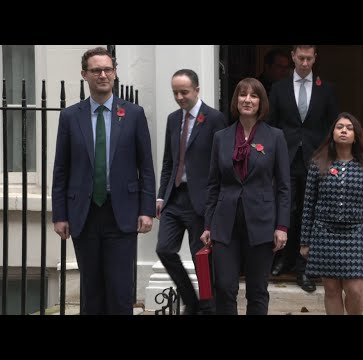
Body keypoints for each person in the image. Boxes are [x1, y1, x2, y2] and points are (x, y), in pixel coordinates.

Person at [52, 47, 156, 315]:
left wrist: (146, 210)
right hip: (83, 214)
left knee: (120, 290)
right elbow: (61, 169)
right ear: (84, 74)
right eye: (96, 70)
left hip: (121, 212)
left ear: (115, 73)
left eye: (107, 69)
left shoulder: (133, 113)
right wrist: (60, 215)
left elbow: (145, 166)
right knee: (91, 289)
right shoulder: (70, 116)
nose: (102, 75)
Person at [200, 78, 290, 315]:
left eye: (253, 95)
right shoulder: (221, 137)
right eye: (242, 95)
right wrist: (208, 224)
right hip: (224, 223)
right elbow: (213, 184)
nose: (247, 100)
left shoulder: (275, 137)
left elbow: (283, 187)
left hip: (262, 223)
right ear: (236, 100)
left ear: (261, 102)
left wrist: (282, 226)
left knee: (257, 290)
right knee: (224, 287)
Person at [300, 112, 363, 315]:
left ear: (356, 136)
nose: (344, 131)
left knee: (355, 290)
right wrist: (305, 241)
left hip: (354, 235)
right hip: (324, 234)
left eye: (349, 128)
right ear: (332, 133)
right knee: (331, 289)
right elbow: (308, 205)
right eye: (339, 127)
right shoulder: (318, 164)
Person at [268, 45, 338, 292]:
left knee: (309, 213)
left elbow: (332, 125)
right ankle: (282, 259)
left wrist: (330, 158)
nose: (305, 63)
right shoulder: (278, 89)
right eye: (301, 58)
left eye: (310, 59)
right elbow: (271, 125)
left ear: (315, 58)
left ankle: (305, 267)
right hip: (285, 157)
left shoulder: (326, 89)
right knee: (286, 209)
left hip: (315, 158)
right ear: (293, 57)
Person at [156, 69, 227, 315]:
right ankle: (191, 300)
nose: (179, 97)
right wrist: (161, 195)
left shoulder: (215, 119)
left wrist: (215, 202)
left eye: (184, 92)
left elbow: (221, 163)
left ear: (197, 90)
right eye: (175, 92)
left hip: (202, 200)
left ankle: (208, 308)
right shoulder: (173, 119)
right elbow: (169, 161)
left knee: (203, 260)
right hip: (175, 197)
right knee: (164, 249)